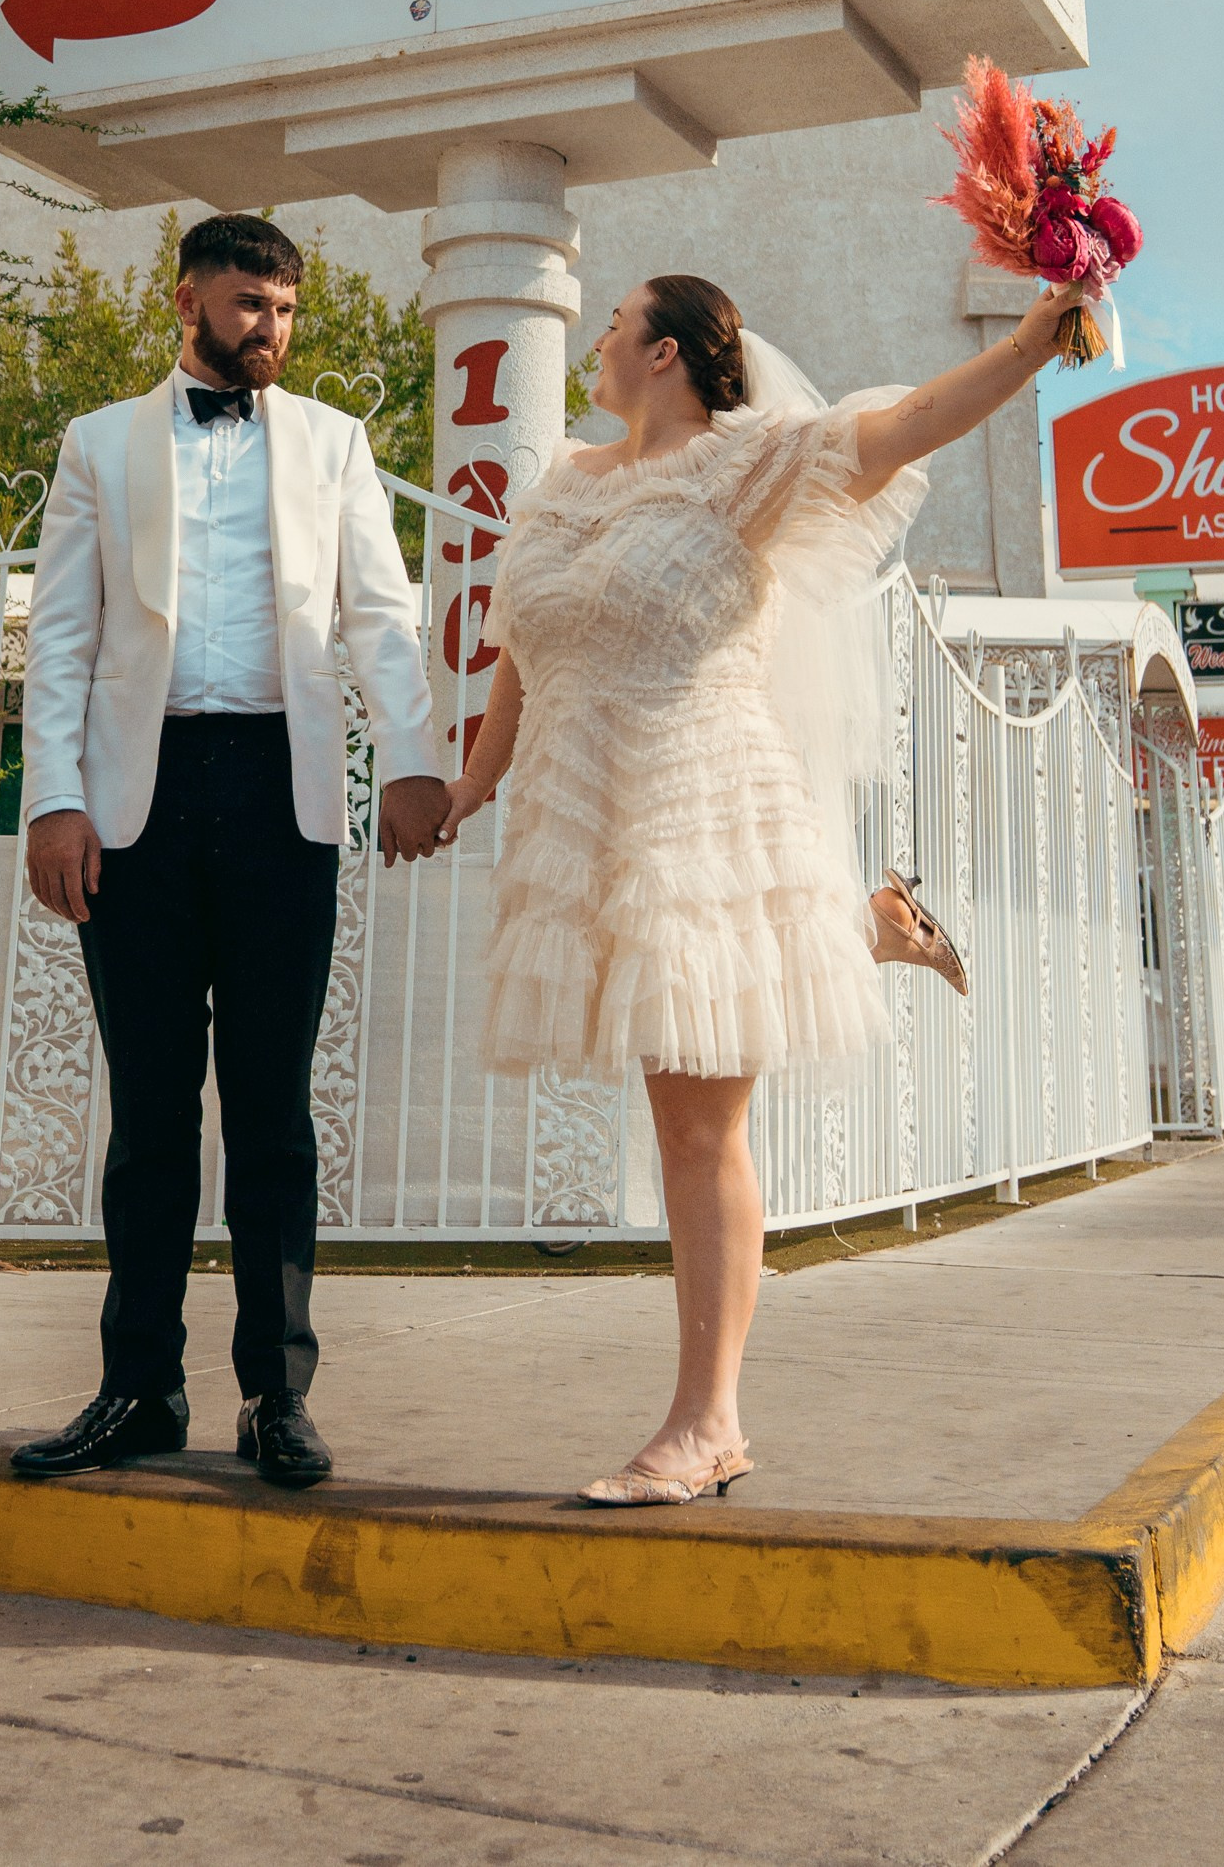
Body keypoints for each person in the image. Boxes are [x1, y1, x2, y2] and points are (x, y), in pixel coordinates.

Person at [431, 265, 1103, 1506]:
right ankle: (866, 926)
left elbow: (909, 425)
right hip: (583, 821)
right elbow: (518, 650)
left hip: (705, 814)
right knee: (665, 1092)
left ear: (670, 354)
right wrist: (473, 784)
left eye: (615, 325)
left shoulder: (748, 465)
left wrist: (1024, 343)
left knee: (696, 1124)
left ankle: (707, 1422)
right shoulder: (561, 485)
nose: (593, 343)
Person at [7, 213, 450, 1489]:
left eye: (287, 310)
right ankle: (137, 1389)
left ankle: (277, 1396)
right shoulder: (100, 443)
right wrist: (53, 801)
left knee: (271, 1113)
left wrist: (410, 761)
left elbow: (379, 614)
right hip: (134, 809)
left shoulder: (333, 443)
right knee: (149, 1118)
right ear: (189, 302)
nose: (273, 330)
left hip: (278, 796)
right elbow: (62, 641)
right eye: (252, 305)